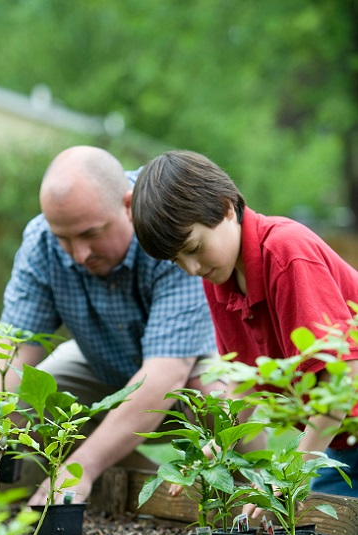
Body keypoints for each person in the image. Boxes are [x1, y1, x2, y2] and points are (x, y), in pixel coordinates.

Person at [0, 145, 219, 506]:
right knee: (32, 399)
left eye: (91, 234)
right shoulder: (42, 243)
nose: (79, 254)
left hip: (188, 367)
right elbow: (10, 351)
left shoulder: (168, 222)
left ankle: (246, 499)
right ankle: (137, 488)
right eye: (65, 238)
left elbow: (165, 374)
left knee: (219, 399)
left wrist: (81, 467)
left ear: (128, 205)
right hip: (102, 365)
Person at [130, 148, 358, 497]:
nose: (190, 269)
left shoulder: (285, 252)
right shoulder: (217, 279)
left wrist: (291, 472)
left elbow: (342, 376)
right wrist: (218, 447)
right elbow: (244, 382)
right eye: (176, 261)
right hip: (343, 440)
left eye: (192, 248)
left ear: (225, 207)